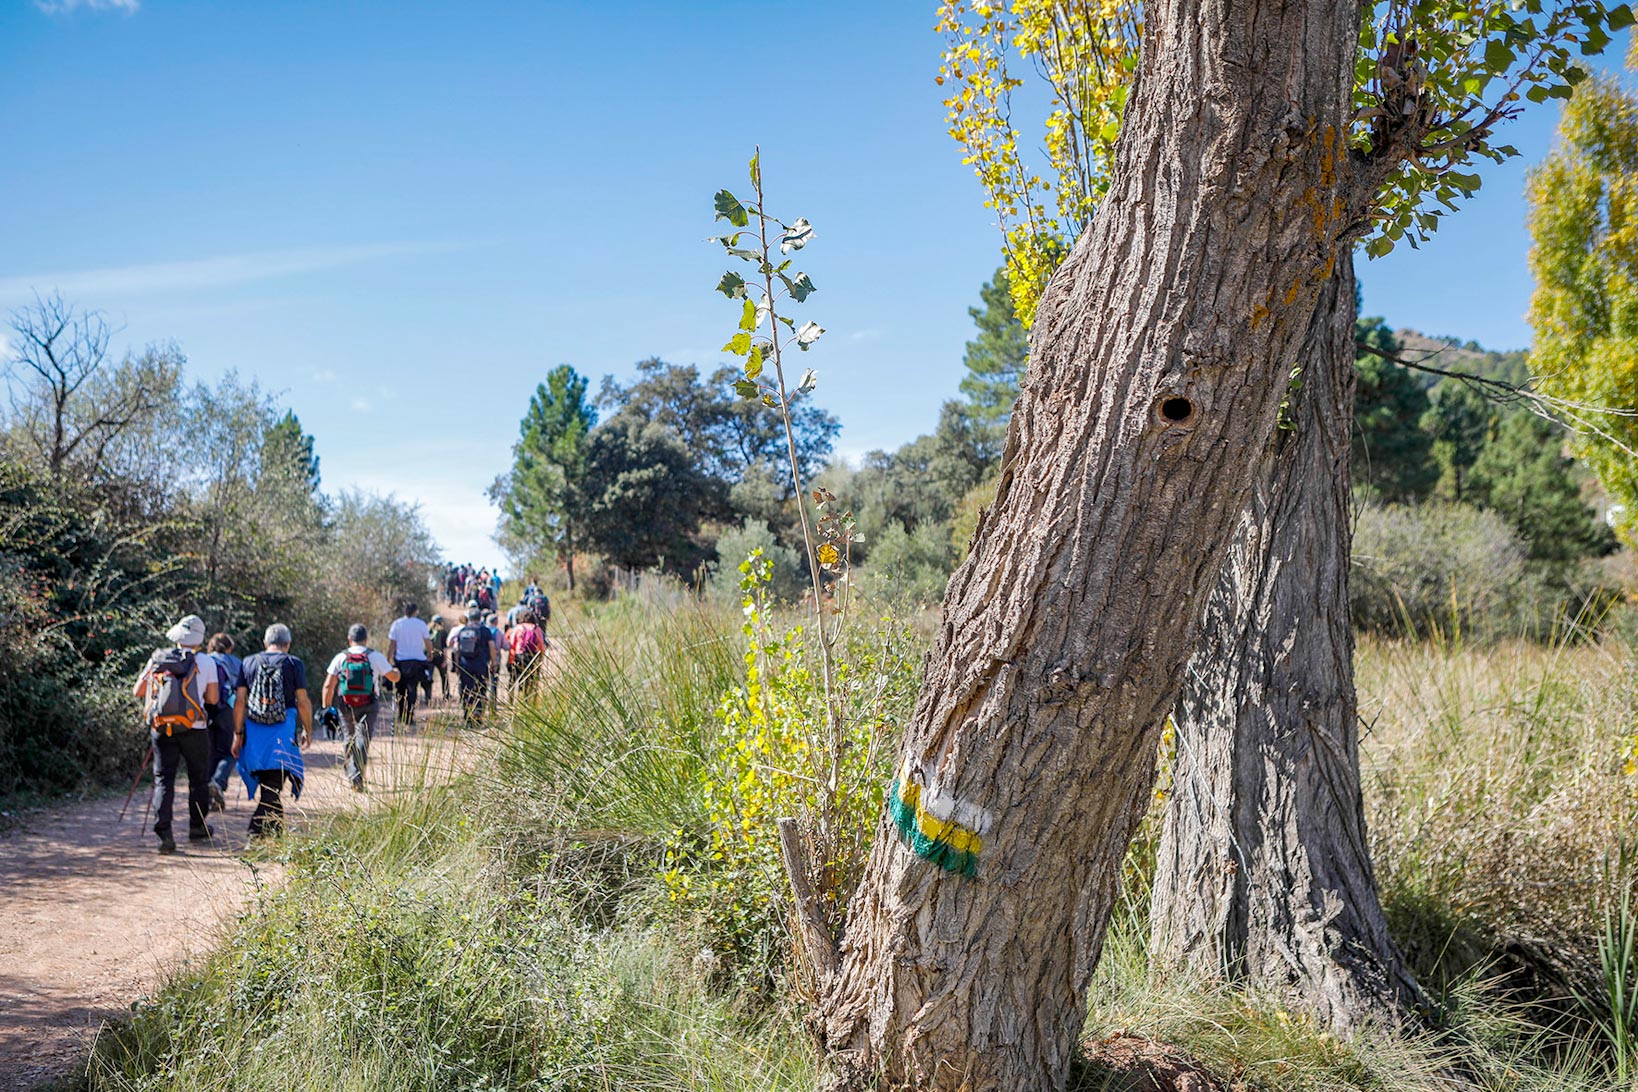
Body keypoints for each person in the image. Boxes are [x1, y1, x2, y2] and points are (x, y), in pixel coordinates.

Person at [133, 614, 220, 854]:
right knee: (198, 780)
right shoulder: (206, 662)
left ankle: (165, 835)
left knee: (163, 780)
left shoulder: (158, 658)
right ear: (199, 639)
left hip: (162, 728)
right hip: (195, 728)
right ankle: (197, 826)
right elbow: (212, 698)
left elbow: (138, 691)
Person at [234, 623, 311, 839]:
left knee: (271, 784)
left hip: (254, 731)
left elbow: (240, 701)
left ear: (265, 643)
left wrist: (237, 733)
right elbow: (303, 701)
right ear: (288, 644)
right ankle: (254, 834)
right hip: (282, 732)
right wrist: (307, 729)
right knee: (273, 784)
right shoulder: (294, 664)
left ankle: (276, 834)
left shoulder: (248, 662)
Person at [321, 623, 399, 792]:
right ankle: (356, 776)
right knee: (363, 739)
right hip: (369, 703)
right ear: (365, 639)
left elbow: (328, 686)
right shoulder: (375, 656)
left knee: (349, 737)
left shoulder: (340, 657)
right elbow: (393, 677)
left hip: (345, 704)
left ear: (350, 639)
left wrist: (326, 708)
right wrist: (397, 672)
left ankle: (351, 771)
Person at [204, 632, 243, 813]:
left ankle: (209, 792)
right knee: (230, 752)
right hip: (228, 710)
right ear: (229, 648)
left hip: (204, 711)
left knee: (211, 753)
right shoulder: (235, 662)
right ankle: (217, 782)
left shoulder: (203, 660)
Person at [448, 607, 500, 727]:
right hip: (481, 665)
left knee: (466, 691)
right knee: (481, 690)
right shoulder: (485, 630)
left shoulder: (463, 630)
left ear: (469, 618)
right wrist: (494, 662)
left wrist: (456, 666)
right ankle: (478, 716)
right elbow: (492, 647)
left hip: (465, 665)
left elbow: (456, 650)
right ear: (480, 618)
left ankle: (467, 717)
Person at [386, 601, 433, 726]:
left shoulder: (397, 624)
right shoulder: (421, 624)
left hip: (401, 661)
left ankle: (401, 715)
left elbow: (392, 644)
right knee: (412, 689)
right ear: (415, 611)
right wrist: (430, 653)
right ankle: (409, 716)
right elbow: (427, 641)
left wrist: (388, 659)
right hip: (417, 661)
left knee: (400, 689)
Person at [507, 608, 546, 698]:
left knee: (513, 680)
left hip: (519, 656)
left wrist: (510, 659)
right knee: (531, 681)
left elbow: (512, 645)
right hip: (533, 656)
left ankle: (511, 700)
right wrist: (541, 658)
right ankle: (528, 699)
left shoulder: (518, 628)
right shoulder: (537, 628)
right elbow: (541, 645)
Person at [425, 613, 450, 702]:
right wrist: (445, 660)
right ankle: (446, 696)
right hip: (440, 657)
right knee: (444, 677)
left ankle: (428, 697)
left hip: (428, 657)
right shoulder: (443, 632)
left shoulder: (426, 630)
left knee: (428, 677)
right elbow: (444, 648)